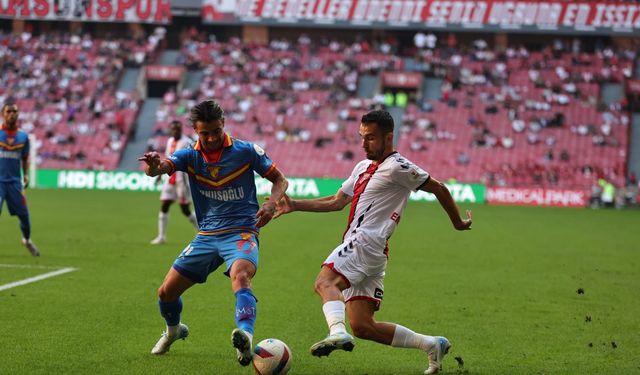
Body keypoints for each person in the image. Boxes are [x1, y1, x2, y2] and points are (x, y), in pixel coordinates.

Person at [273, 110, 472, 374]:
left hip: (366, 241)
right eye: (362, 137)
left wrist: (457, 222)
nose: (364, 143)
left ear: (388, 137)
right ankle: (432, 344)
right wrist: (295, 205)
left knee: (325, 282)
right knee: (363, 325)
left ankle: (337, 332)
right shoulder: (363, 167)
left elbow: (440, 188)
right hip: (374, 251)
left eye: (371, 138)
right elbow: (337, 201)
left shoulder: (399, 167)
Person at [138, 100, 288, 366]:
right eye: (204, 133)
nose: (210, 138)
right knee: (165, 293)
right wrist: (152, 166)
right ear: (196, 131)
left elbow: (280, 179)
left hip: (241, 231)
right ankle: (174, 331)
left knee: (241, 275)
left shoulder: (245, 151)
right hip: (207, 235)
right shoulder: (189, 155)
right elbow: (159, 170)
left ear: (224, 125)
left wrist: (272, 203)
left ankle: (245, 336)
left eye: (215, 131)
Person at [0, 102, 40, 256]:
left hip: (15, 183)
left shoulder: (23, 137)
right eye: (9, 111)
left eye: (14, 112)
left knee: (24, 215)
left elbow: (25, 158)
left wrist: (26, 174)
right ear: (3, 114)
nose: (12, 114)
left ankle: (27, 240)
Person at [150, 120, 199, 245]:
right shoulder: (170, 141)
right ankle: (161, 236)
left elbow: (191, 160)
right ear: (171, 130)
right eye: (173, 129)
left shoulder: (186, 142)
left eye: (178, 129)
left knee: (185, 209)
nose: (176, 131)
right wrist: (160, 175)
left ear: (181, 129)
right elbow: (167, 159)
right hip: (170, 178)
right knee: (164, 205)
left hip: (182, 180)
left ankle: (200, 230)